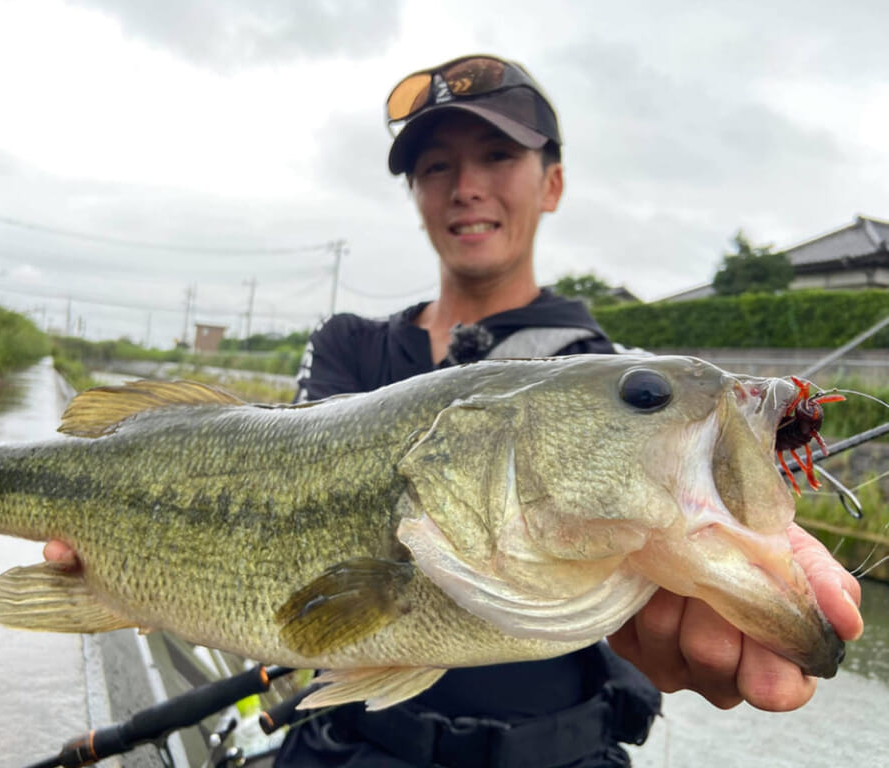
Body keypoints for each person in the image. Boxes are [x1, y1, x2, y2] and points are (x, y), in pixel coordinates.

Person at [44, 53, 863, 768]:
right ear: (415, 194)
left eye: (498, 155)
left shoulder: (597, 370)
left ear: (553, 182)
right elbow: (273, 491)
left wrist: (743, 551)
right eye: (436, 166)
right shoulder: (350, 346)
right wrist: (133, 541)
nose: (466, 186)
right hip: (347, 750)